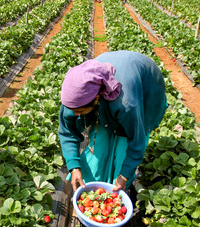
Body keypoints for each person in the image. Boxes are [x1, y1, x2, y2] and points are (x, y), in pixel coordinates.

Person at [58, 51, 167, 193]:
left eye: (80, 111)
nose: (75, 114)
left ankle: (119, 188)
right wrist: (74, 166)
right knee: (98, 150)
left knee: (123, 153)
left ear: (96, 98)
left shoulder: (127, 103)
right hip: (114, 88)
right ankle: (93, 187)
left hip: (145, 88)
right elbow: (67, 132)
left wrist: (124, 175)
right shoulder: (74, 97)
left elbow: (137, 140)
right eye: (73, 110)